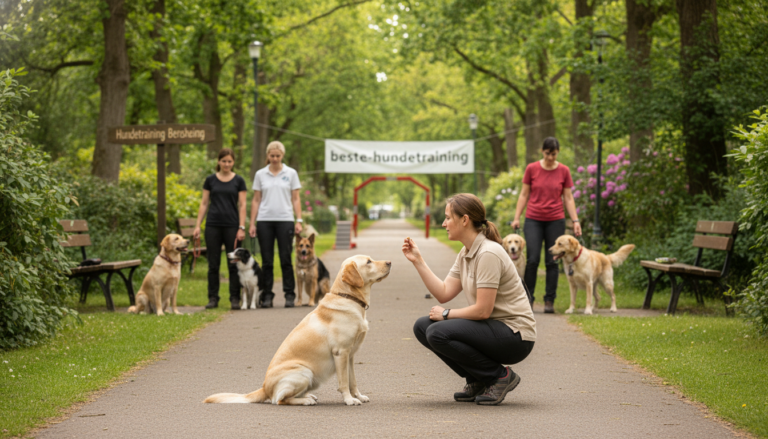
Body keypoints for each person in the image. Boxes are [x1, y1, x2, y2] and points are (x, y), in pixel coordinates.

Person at [402, 193, 536, 406]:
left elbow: (483, 310)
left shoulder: (488, 253)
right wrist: (418, 260)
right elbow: (444, 292)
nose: (444, 223)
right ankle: (478, 380)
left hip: (515, 335)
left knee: (437, 331)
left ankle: (498, 376)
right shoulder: (467, 252)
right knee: (422, 326)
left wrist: (446, 314)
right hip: (493, 328)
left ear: (464, 220)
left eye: (448, 218)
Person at [510, 137, 581, 314]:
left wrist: (575, 220)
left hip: (555, 219)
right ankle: (528, 299)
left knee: (552, 261)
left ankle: (549, 300)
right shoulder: (532, 168)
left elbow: (568, 197)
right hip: (533, 219)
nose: (551, 157)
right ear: (542, 151)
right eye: (548, 153)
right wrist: (516, 217)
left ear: (558, 152)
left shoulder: (564, 170)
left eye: (554, 154)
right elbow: (524, 195)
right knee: (532, 259)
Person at [249, 141, 303, 308]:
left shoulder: (291, 173)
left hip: (285, 219)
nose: (274, 159)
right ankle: (267, 295)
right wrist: (252, 223)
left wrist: (299, 219)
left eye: (277, 156)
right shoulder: (260, 174)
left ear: (282, 156)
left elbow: (295, 198)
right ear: (268, 155)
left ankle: (289, 294)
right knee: (267, 261)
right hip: (265, 220)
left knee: (286, 259)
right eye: (272, 156)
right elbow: (256, 200)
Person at [193, 148, 247, 310]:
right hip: (213, 225)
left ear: (233, 162)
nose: (226, 164)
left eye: (229, 161)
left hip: (232, 226)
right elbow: (204, 203)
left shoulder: (239, 181)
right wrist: (197, 225)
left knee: (233, 263)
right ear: (218, 161)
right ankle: (213, 298)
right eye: (223, 161)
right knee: (213, 264)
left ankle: (234, 298)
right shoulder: (210, 180)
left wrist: (241, 227)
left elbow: (243, 205)